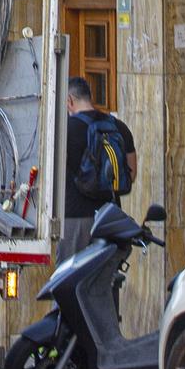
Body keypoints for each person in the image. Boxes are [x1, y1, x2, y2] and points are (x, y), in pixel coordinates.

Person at [61, 76, 137, 263]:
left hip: (75, 219)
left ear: (69, 100)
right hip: (109, 216)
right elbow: (131, 173)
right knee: (106, 276)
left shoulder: (65, 130)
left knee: (69, 277)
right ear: (89, 97)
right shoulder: (118, 127)